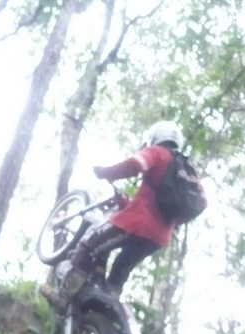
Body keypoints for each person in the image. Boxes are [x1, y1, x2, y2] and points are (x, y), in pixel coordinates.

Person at [40, 120, 207, 314]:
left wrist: (106, 172)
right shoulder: (187, 170)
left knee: (88, 246)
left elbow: (136, 164)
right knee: (121, 267)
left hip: (136, 224)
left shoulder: (158, 152)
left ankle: (62, 298)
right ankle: (107, 309)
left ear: (154, 137)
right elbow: (201, 203)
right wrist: (128, 204)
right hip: (159, 238)